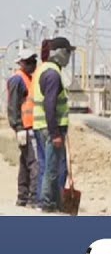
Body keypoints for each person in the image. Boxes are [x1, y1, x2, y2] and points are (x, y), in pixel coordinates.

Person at [31, 36, 75, 212]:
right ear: (59, 53)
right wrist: (55, 133)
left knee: (48, 165)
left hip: (43, 127)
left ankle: (47, 201)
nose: (69, 57)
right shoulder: (52, 74)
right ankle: (48, 203)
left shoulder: (45, 70)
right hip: (50, 130)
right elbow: (50, 105)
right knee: (52, 167)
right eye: (67, 52)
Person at [7, 48, 41, 207]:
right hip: (25, 128)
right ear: (21, 63)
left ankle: (23, 198)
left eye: (34, 61)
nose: (32, 64)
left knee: (25, 162)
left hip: (29, 127)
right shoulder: (17, 79)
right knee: (34, 162)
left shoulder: (28, 78)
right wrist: (18, 126)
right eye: (29, 61)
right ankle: (33, 198)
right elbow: (12, 106)